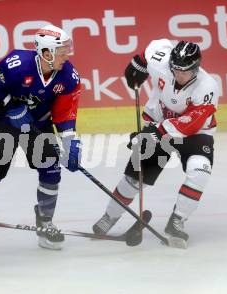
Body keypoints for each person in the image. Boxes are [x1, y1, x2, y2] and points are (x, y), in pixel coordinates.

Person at [0, 24, 82, 255]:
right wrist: (11, 107)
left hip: (38, 125)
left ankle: (45, 222)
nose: (66, 56)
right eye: (62, 51)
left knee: (51, 170)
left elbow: (64, 112)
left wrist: (69, 140)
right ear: (46, 52)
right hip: (2, 123)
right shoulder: (17, 63)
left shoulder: (68, 76)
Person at [92, 39, 219, 248]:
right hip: (159, 120)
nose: (178, 74)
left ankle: (177, 221)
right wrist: (138, 64)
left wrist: (154, 134)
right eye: (175, 69)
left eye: (184, 71)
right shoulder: (162, 59)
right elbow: (151, 49)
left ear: (195, 68)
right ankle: (110, 216)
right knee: (134, 178)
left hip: (195, 133)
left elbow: (191, 123)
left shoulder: (208, 86)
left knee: (200, 171)